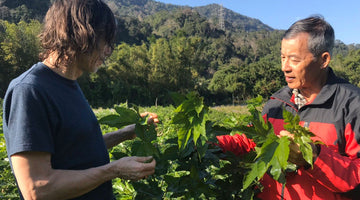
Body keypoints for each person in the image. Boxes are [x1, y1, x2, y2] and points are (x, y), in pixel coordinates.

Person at [2, 0, 158, 199]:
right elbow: (37, 189)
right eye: (105, 41)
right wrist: (112, 170)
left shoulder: (69, 84)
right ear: (79, 33)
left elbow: (76, 151)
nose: (108, 50)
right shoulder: (30, 90)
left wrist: (127, 133)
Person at [216, 16, 360, 199]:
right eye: (282, 57)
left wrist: (312, 158)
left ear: (324, 60)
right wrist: (213, 144)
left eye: (294, 59)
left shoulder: (352, 105)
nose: (285, 67)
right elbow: (254, 142)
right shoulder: (277, 103)